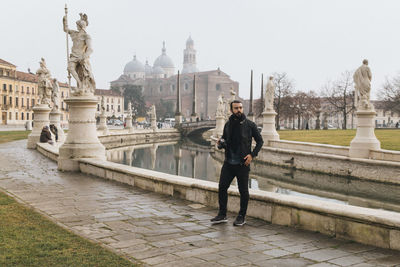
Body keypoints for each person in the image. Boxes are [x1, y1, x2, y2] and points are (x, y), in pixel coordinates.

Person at [211, 100, 264, 226]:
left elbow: (260, 141)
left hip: (242, 164)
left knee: (243, 191)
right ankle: (222, 214)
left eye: (240, 108)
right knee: (222, 188)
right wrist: (220, 144)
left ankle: (241, 216)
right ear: (231, 110)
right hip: (228, 162)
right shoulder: (227, 125)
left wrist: (252, 154)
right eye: (236, 108)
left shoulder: (250, 125)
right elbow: (225, 140)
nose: (239, 110)